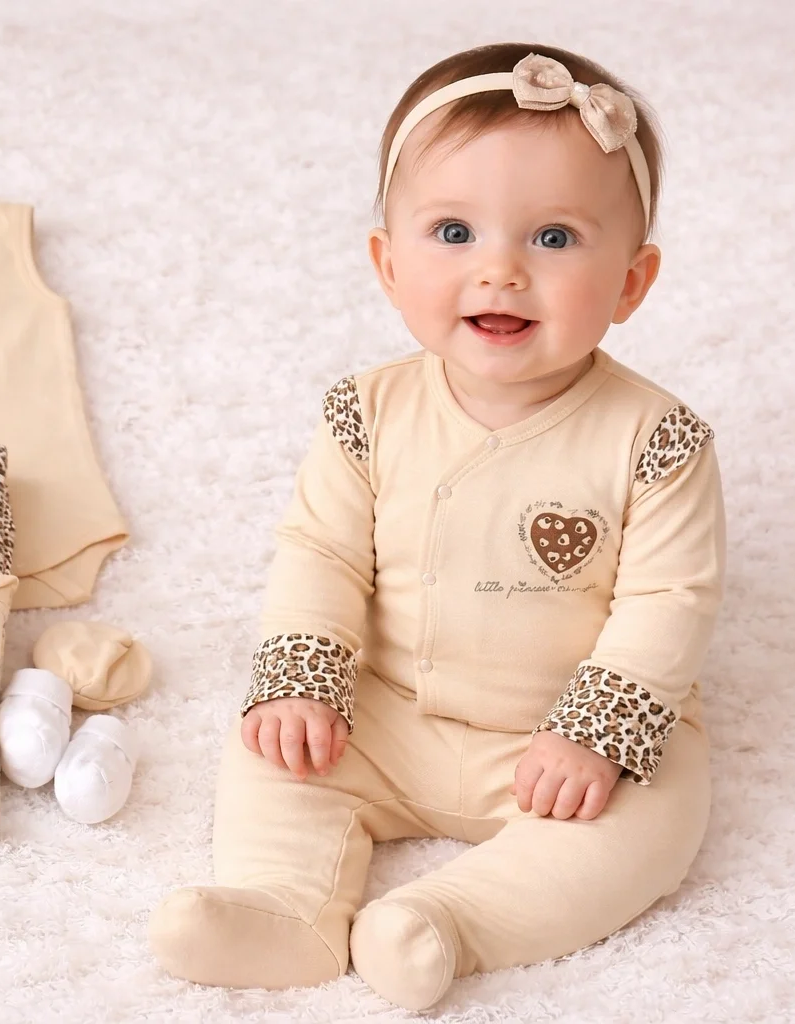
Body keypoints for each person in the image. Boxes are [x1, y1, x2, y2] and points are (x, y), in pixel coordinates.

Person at [148, 41, 725, 1012]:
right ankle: (285, 905)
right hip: (383, 711)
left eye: (554, 238)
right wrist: (304, 680)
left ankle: (448, 922)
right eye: (454, 232)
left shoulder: (657, 440)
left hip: (562, 734)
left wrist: (594, 733)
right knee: (272, 753)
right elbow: (322, 553)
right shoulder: (366, 412)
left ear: (632, 281)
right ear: (388, 263)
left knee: (650, 819)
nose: (500, 271)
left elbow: (670, 599)